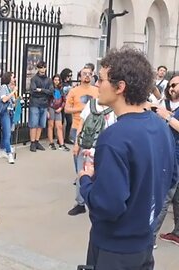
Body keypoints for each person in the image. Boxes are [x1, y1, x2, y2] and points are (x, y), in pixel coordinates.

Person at [79, 48, 177, 269]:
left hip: (114, 249)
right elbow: (170, 178)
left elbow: (108, 206)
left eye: (101, 79)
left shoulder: (113, 137)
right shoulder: (160, 126)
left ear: (120, 86)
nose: (96, 85)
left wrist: (86, 179)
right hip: (143, 242)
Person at [68, 98, 116, 216]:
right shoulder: (92, 103)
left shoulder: (115, 105)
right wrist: (77, 143)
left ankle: (98, 204)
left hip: (103, 147)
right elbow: (81, 122)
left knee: (102, 176)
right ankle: (80, 203)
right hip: (86, 144)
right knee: (82, 174)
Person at [153, 76, 179, 247]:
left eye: (175, 84)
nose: (172, 87)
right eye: (170, 85)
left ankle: (149, 237)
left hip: (175, 159)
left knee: (165, 198)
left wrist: (167, 117)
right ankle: (177, 233)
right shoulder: (168, 103)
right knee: (176, 198)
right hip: (170, 155)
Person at [29, 60, 53, 152]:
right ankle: (32, 142)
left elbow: (51, 91)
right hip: (35, 103)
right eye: (40, 68)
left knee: (41, 124)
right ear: (38, 69)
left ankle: (37, 141)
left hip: (44, 104)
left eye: (44, 67)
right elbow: (33, 91)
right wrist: (44, 91)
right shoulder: (34, 79)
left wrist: (41, 90)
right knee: (34, 124)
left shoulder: (49, 79)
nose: (43, 69)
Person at [0, 71, 18, 164]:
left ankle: (2, 150)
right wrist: (13, 91)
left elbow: (13, 103)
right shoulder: (3, 87)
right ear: (9, 78)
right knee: (7, 133)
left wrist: (16, 98)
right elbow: (4, 99)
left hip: (10, 112)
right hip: (4, 112)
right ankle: (9, 153)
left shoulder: (10, 88)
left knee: (7, 132)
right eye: (13, 77)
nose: (14, 79)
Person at [47, 74, 69, 151]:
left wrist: (61, 108)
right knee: (51, 125)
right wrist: (47, 110)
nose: (56, 81)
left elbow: (64, 100)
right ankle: (51, 143)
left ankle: (62, 144)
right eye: (55, 80)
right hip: (51, 107)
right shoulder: (50, 88)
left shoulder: (61, 89)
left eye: (58, 80)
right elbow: (47, 99)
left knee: (59, 126)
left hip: (58, 108)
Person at [60, 68, 74, 144]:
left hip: (68, 104)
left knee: (69, 121)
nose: (70, 77)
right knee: (61, 121)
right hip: (62, 104)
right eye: (69, 75)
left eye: (71, 75)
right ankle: (60, 138)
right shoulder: (61, 83)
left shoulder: (70, 83)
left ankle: (67, 137)